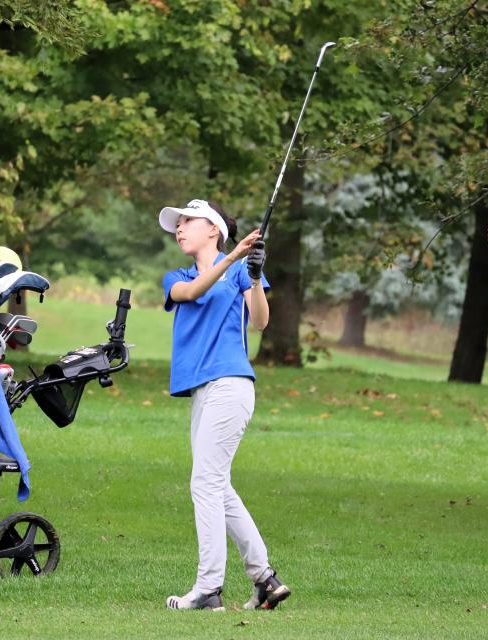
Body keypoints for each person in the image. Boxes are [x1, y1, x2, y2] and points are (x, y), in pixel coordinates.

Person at [158, 198, 291, 612]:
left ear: (213, 229)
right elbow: (192, 292)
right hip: (203, 391)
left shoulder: (239, 271)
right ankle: (265, 579)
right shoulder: (175, 276)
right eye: (177, 225)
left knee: (204, 484)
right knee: (217, 485)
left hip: (231, 385)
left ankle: (208, 588)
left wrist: (252, 276)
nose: (179, 229)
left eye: (187, 222)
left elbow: (260, 322)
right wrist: (235, 256)